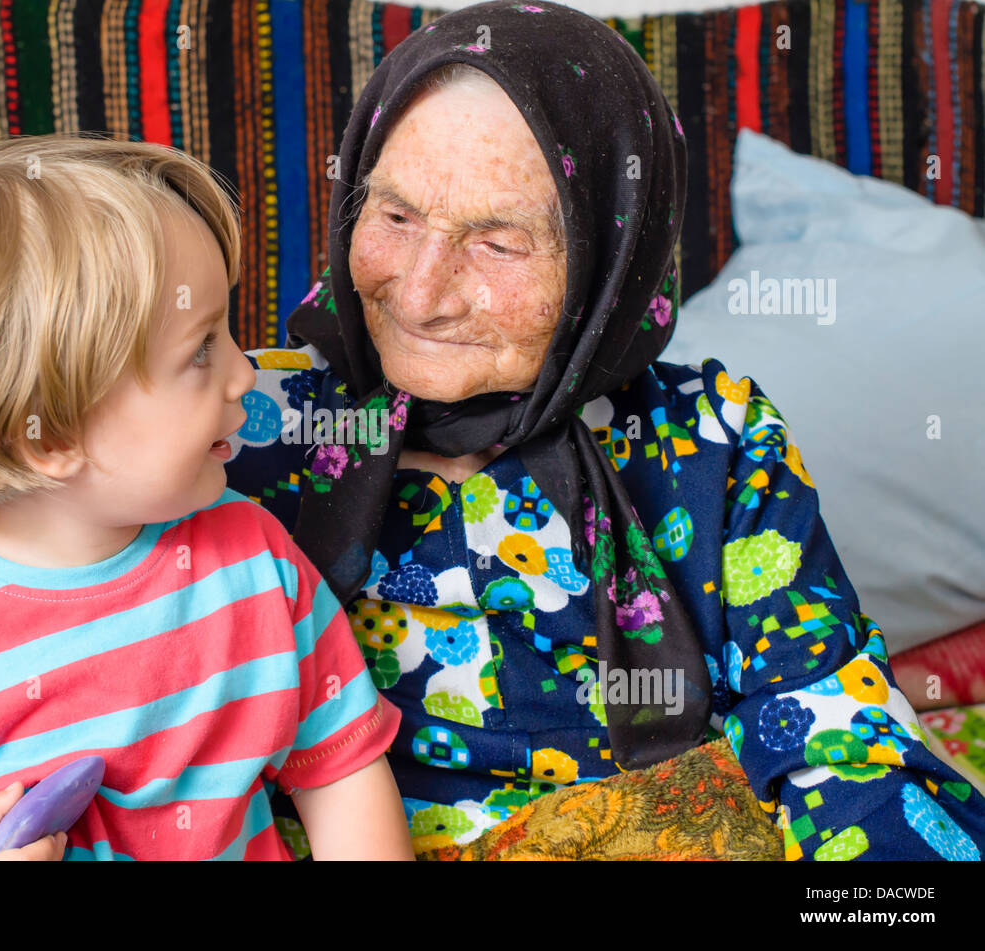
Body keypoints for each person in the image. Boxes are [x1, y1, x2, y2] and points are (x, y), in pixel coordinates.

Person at [223, 0, 985, 860]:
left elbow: (834, 738)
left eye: (498, 243)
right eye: (394, 217)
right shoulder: (233, 422)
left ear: (608, 260)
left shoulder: (714, 440)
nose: (422, 291)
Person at [0, 134, 414, 861]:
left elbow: (337, 767)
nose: (243, 373)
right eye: (200, 349)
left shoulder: (255, 561)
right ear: (50, 436)